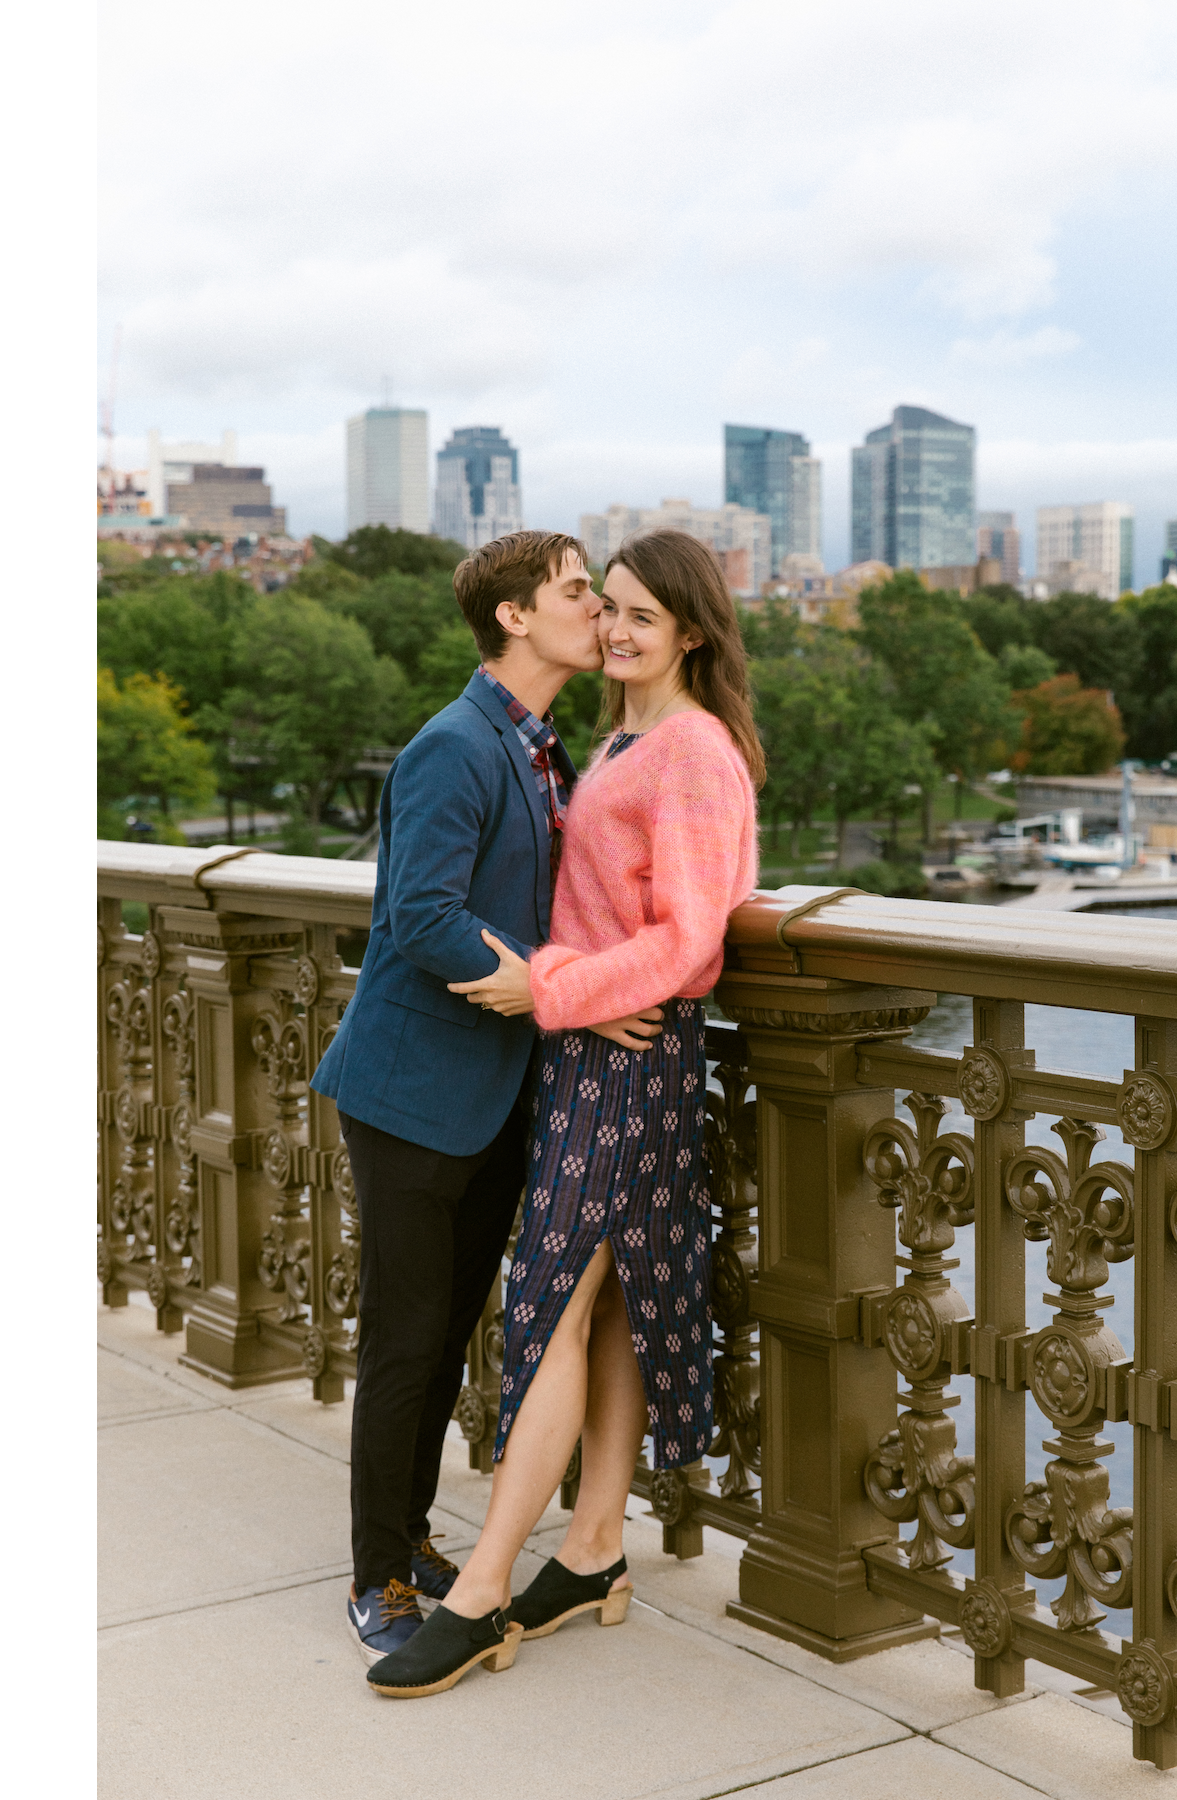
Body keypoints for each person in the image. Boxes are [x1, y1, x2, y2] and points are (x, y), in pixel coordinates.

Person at [361, 528, 763, 1699]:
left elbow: (691, 939)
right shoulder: (623, 735)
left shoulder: (688, 750)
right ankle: (591, 1550)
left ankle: (484, 1587)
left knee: (548, 1306)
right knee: (609, 1304)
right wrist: (567, 997)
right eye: (607, 608)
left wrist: (548, 989)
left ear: (691, 629)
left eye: (639, 613)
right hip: (595, 1052)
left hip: (625, 1055)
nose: (615, 627)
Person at [310, 530, 667, 1674]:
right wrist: (566, 997)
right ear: (514, 616)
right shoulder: (453, 746)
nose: (597, 616)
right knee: (409, 1339)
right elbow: (418, 920)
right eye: (577, 594)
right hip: (415, 1093)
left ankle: (411, 1532)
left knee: (449, 1327)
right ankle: (380, 1576)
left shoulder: (543, 745)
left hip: (491, 1095)